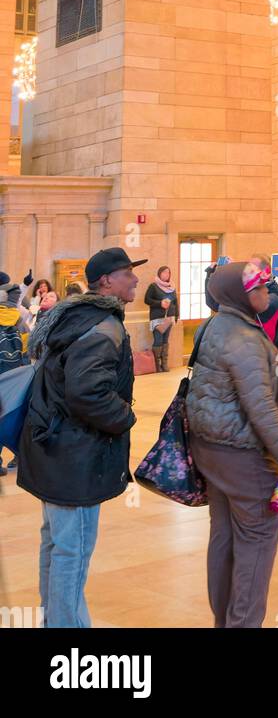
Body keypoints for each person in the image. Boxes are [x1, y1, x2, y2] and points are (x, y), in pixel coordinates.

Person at [16, 247, 144, 627]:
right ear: (106, 280)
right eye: (127, 273)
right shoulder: (103, 326)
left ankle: (55, 620)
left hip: (53, 449)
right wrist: (126, 417)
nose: (135, 279)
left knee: (56, 544)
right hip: (77, 456)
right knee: (72, 550)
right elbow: (87, 392)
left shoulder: (72, 316)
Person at [186, 262, 278, 628]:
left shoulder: (212, 326)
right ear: (241, 295)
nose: (266, 294)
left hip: (210, 450)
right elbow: (262, 409)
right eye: (259, 289)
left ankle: (224, 621)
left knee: (223, 538)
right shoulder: (247, 340)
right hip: (241, 455)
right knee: (256, 541)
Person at [0, 278, 29, 475]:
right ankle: (21, 454)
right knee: (17, 416)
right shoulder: (19, 316)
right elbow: (28, 343)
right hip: (17, 374)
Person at [143, 265, 179, 371]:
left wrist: (176, 315)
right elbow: (147, 300)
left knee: (165, 340)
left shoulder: (172, 287)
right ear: (159, 274)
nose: (166, 274)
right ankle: (156, 365)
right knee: (158, 340)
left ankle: (164, 364)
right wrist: (160, 303)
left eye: (168, 273)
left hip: (169, 318)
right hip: (157, 318)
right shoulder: (153, 286)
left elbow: (175, 302)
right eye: (164, 272)